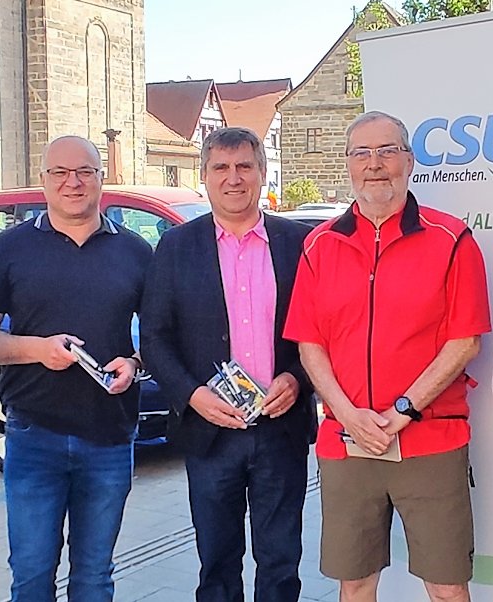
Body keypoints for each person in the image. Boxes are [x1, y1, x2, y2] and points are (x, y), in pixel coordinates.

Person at [284, 111, 491, 602]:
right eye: (362, 153)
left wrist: (402, 411)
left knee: (446, 587)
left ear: (410, 161)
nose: (375, 164)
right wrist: (350, 415)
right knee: (354, 585)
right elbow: (310, 343)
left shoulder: (452, 239)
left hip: (430, 439)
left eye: (387, 151)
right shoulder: (318, 244)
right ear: (349, 164)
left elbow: (465, 342)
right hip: (347, 441)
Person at [141, 126, 316, 602]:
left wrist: (298, 379)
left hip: (280, 429)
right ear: (204, 177)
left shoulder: (301, 244)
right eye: (221, 167)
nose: (233, 178)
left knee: (281, 561)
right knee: (217, 563)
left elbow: (321, 332)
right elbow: (155, 338)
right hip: (210, 430)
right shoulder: (176, 248)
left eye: (244, 166)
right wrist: (193, 396)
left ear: (262, 173)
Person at [0, 135, 152, 602]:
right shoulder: (9, 249)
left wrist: (135, 364)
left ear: (102, 179)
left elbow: (159, 339)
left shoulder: (136, 252)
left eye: (85, 172)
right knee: (32, 576)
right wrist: (38, 349)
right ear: (43, 181)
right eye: (60, 172)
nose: (72, 182)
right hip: (34, 434)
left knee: (95, 577)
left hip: (110, 436)